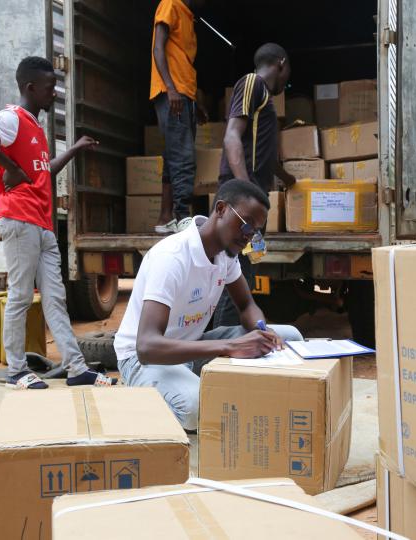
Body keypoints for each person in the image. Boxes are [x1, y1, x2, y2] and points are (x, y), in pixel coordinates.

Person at [0, 56, 114, 390]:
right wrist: (10, 167)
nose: (54, 95)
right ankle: (16, 371)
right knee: (20, 296)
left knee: (55, 298)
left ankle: (76, 368)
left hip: (42, 223)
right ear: (31, 88)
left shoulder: (35, 127)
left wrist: (74, 149)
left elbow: (42, 174)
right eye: (50, 89)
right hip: (19, 220)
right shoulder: (12, 118)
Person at [114, 179, 304, 429]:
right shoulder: (172, 258)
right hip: (144, 360)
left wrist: (262, 330)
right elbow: (147, 346)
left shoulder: (226, 255)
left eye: (256, 231)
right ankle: (144, 399)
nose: (249, 237)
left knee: (291, 338)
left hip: (190, 347)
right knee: (195, 406)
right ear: (222, 209)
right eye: (246, 225)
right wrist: (230, 346)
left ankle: (191, 382)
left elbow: (247, 305)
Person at [213, 42, 296, 327]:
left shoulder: (265, 103)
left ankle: (224, 352)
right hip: (241, 201)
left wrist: (289, 180)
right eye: (288, 74)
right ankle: (219, 356)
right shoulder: (253, 83)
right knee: (234, 282)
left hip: (249, 203)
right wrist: (245, 195)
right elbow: (232, 137)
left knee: (239, 277)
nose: (286, 81)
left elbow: (266, 157)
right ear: (281, 63)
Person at [149, 0, 208, 234]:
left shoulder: (189, 16)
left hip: (185, 94)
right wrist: (171, 89)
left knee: (174, 154)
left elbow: (182, 61)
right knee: (183, 157)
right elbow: (158, 48)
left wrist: (196, 102)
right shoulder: (170, 4)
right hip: (172, 92)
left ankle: (165, 217)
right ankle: (183, 216)